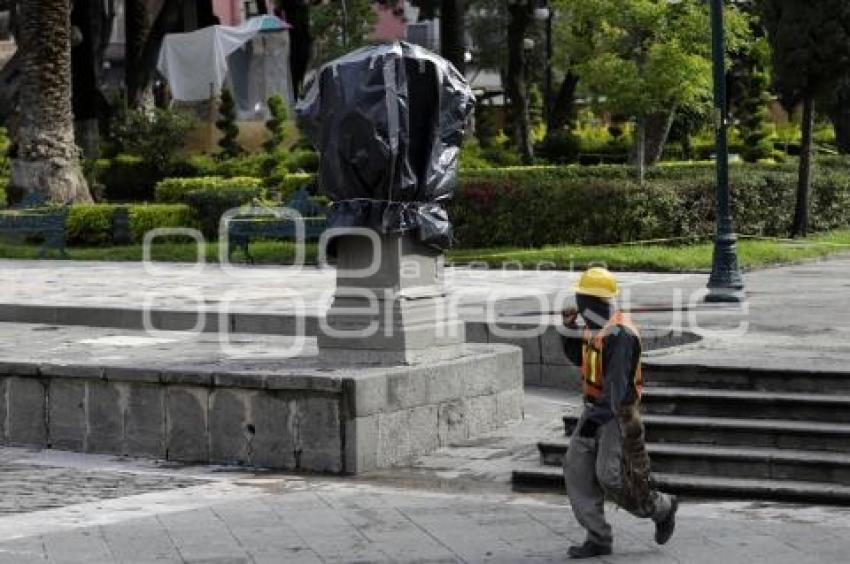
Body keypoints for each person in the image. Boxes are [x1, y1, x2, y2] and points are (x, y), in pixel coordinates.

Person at [560, 267, 678, 559]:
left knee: (610, 477)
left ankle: (661, 507)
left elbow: (614, 390)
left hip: (617, 415)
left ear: (593, 301)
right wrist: (567, 328)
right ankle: (598, 537)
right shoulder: (594, 324)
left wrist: (590, 425)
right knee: (576, 470)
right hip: (594, 410)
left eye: (580, 297)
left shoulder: (621, 335)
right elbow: (579, 357)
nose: (576, 302)